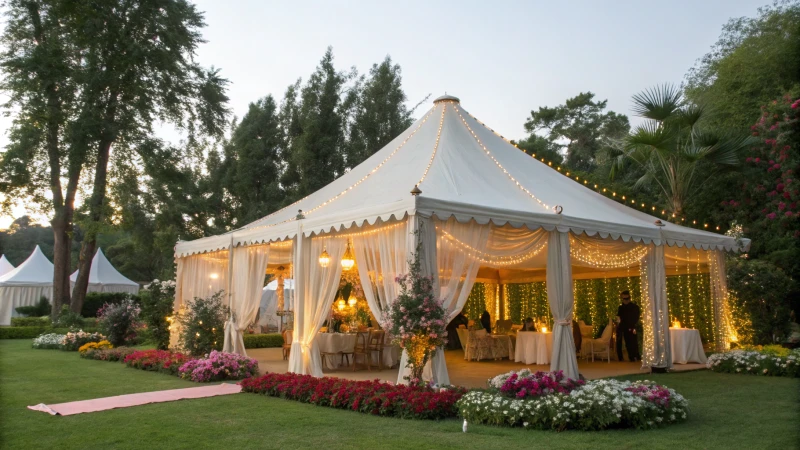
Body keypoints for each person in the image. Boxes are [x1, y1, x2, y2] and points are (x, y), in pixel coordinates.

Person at [616, 290, 641, 362]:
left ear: (629, 298)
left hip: (631, 326)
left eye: (627, 298)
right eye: (624, 299)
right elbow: (619, 316)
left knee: (632, 342)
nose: (625, 300)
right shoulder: (621, 308)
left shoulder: (634, 307)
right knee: (625, 342)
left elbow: (636, 317)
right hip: (623, 326)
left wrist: (631, 325)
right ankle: (626, 357)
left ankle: (635, 356)